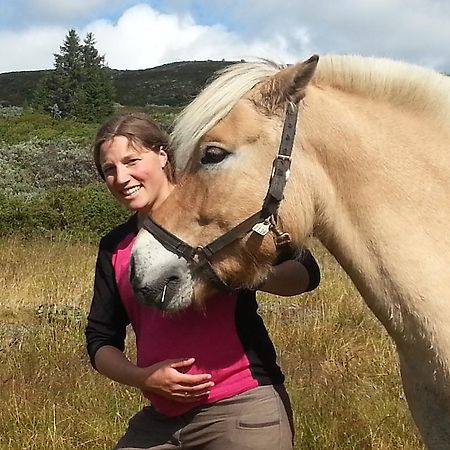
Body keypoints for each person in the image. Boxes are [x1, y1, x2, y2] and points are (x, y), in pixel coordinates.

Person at [85, 113, 321, 450]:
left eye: (131, 161)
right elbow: (100, 339)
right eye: (109, 169)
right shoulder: (116, 246)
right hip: (160, 421)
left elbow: (306, 273)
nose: (121, 177)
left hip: (241, 410)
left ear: (163, 154)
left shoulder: (215, 218)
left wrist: (243, 271)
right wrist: (145, 378)